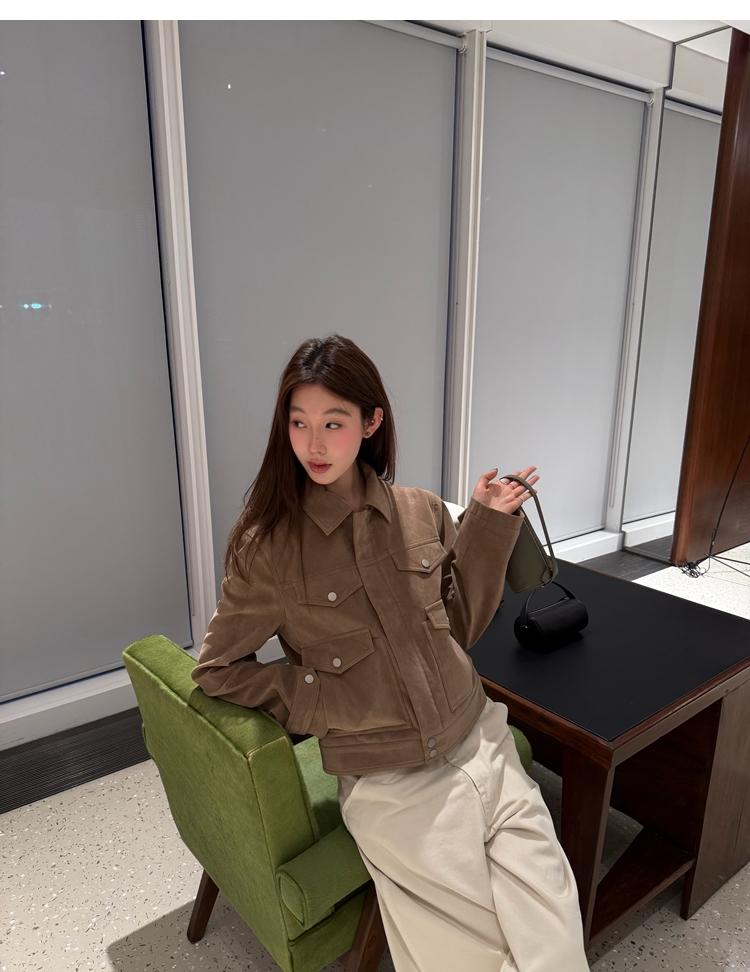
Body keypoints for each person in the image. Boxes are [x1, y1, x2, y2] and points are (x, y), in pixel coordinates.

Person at [191, 334, 589, 971]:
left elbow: (458, 627)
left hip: (482, 742)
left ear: (371, 423)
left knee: (558, 947)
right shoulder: (268, 550)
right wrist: (323, 698)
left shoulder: (420, 512)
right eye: (298, 423)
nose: (313, 444)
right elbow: (216, 670)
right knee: (470, 963)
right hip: (392, 788)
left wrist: (487, 522)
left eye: (333, 423)